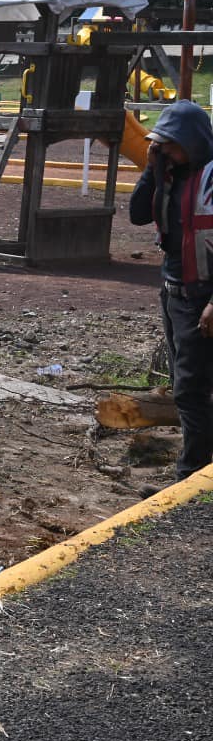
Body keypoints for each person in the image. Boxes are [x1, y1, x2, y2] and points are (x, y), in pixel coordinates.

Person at [129, 99, 213, 482]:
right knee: (188, 383)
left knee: (190, 391)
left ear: (193, 141)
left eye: (170, 144)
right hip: (173, 292)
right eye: (159, 145)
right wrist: (151, 168)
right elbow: (137, 214)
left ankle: (190, 479)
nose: (165, 151)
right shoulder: (167, 174)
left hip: (202, 297)